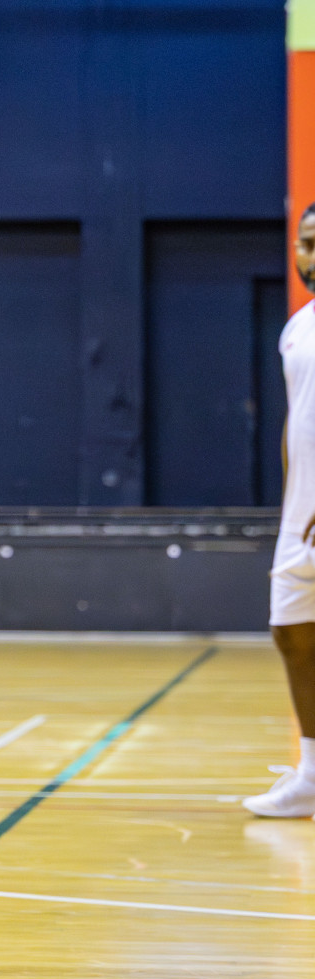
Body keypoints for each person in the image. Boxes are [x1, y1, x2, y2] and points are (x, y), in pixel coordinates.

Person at [245, 201, 315, 819]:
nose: (310, 255)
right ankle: (312, 775)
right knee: (292, 633)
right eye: (305, 242)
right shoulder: (296, 327)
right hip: (303, 517)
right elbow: (301, 425)